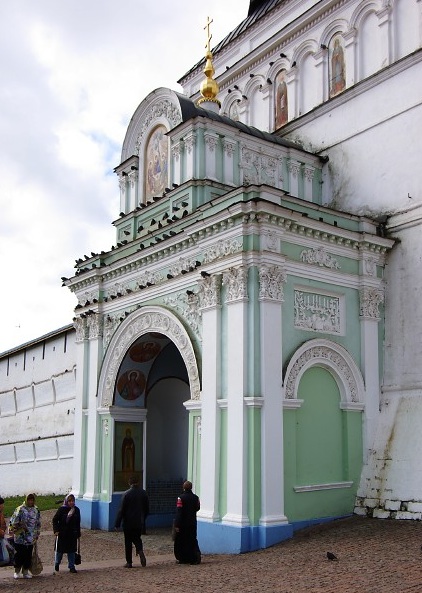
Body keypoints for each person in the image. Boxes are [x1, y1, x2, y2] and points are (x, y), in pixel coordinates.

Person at [115, 474, 149, 568]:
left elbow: (121, 510)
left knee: (128, 541)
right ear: (138, 482)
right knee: (137, 538)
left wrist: (117, 523)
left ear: (129, 483)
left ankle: (129, 562)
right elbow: (147, 509)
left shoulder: (126, 494)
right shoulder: (143, 493)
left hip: (128, 522)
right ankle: (140, 550)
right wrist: (143, 519)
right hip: (139, 521)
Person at [8, 493, 41, 579]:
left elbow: (38, 523)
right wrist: (18, 527)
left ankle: (25, 571)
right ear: (26, 500)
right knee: (19, 554)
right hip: (20, 537)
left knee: (28, 555)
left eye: (32, 500)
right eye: (29, 500)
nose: (30, 501)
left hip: (30, 537)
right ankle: (17, 571)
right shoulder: (20, 509)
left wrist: (37, 533)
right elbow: (13, 521)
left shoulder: (36, 509)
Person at [173, 480, 201, 565]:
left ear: (183, 487)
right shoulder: (196, 497)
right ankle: (194, 557)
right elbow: (198, 508)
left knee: (181, 541)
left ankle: (183, 558)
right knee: (192, 540)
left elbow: (179, 512)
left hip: (183, 524)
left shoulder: (180, 498)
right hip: (192, 522)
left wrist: (177, 524)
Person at [52, 493, 81, 574]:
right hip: (62, 533)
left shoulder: (76, 510)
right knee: (59, 551)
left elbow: (78, 522)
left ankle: (71, 566)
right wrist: (56, 530)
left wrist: (78, 533)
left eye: (73, 501)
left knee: (71, 551)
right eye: (70, 501)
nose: (71, 503)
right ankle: (57, 563)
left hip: (72, 534)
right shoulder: (61, 510)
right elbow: (55, 520)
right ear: (67, 501)